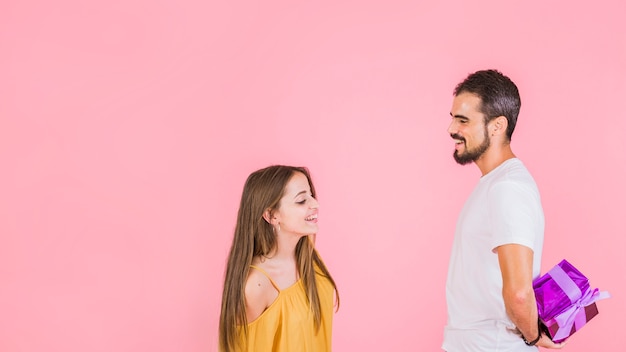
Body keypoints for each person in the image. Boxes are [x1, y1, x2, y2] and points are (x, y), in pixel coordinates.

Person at [442, 69, 565, 351]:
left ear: (497, 126)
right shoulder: (494, 184)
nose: (451, 130)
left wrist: (533, 339)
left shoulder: (507, 188)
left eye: (463, 121)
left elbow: (519, 293)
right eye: (452, 119)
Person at [219, 165, 339, 352]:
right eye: (301, 200)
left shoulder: (310, 259)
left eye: (311, 195)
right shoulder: (257, 285)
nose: (315, 204)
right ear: (271, 215)